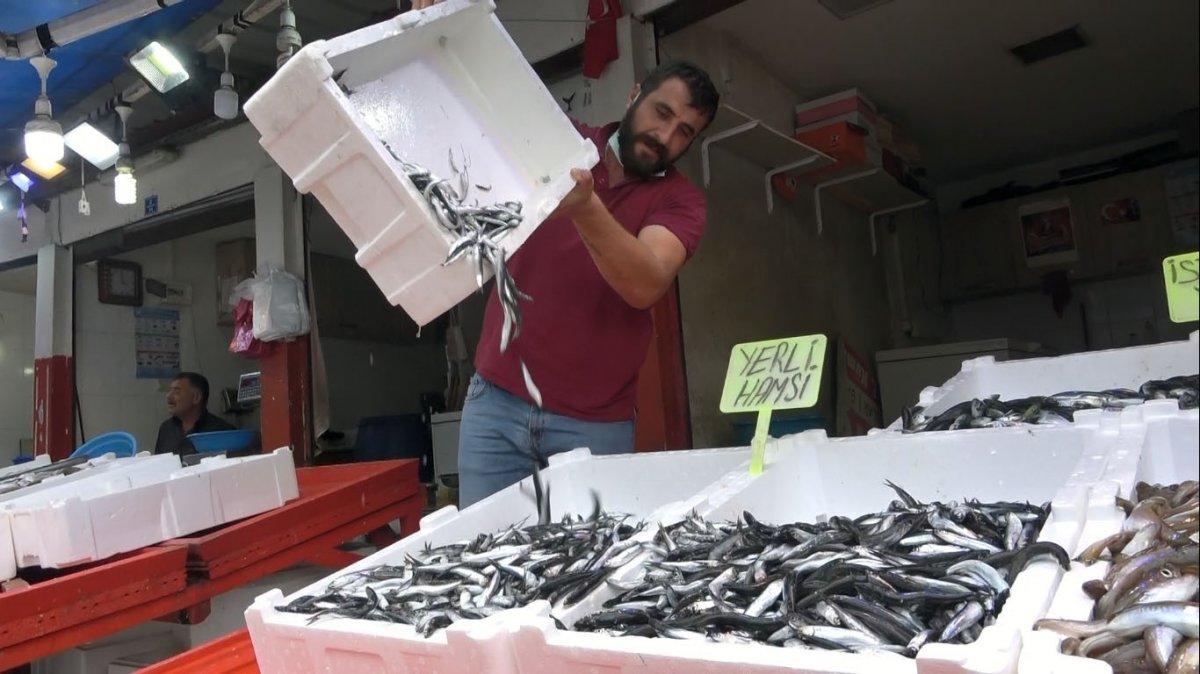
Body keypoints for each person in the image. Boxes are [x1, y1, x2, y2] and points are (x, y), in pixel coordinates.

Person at [455, 57, 721, 507]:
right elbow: (476, 112)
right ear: (634, 95)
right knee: (482, 546)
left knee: (587, 554)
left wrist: (586, 207)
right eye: (661, 113)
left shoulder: (681, 201)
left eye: (684, 132)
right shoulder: (564, 142)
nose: (664, 137)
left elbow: (645, 284)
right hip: (496, 404)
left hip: (594, 426)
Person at [154, 372, 235, 455]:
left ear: (196, 397)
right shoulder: (166, 428)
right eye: (169, 391)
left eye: (176, 391)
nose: (168, 396)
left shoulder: (222, 431)